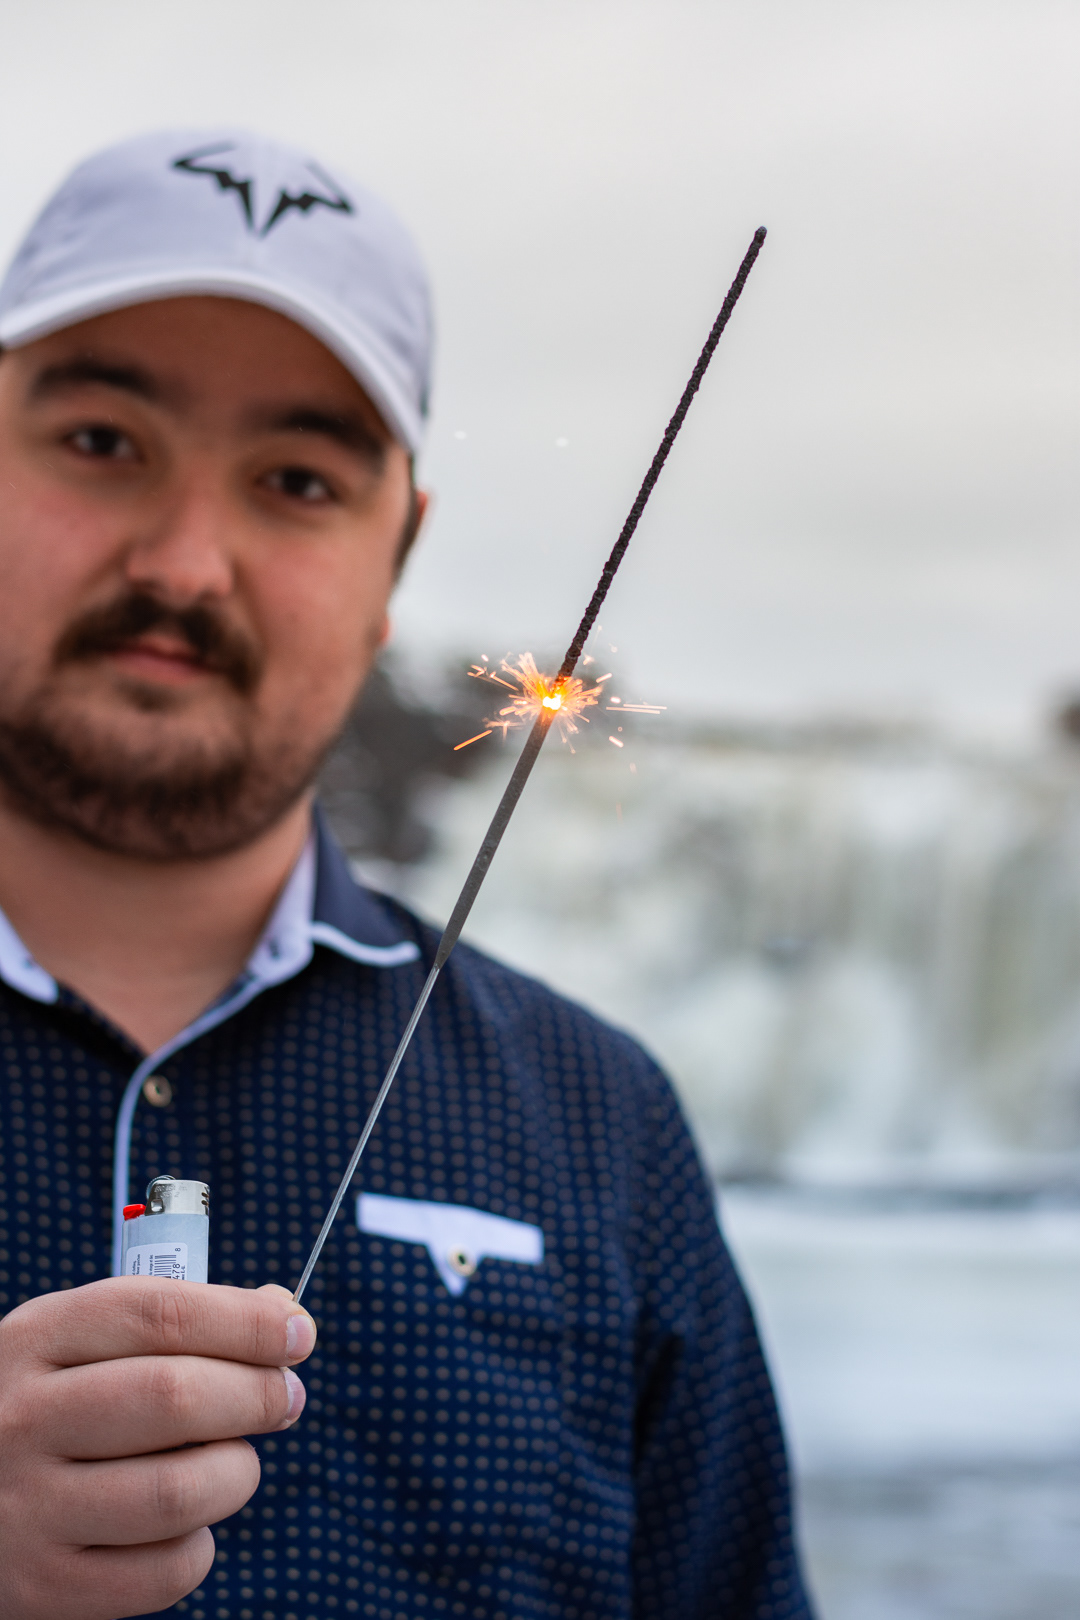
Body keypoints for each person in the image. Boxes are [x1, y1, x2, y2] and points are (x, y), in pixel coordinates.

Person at [0, 129, 813, 1620]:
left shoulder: (603, 1127)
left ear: (395, 562)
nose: (185, 564)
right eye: (104, 443)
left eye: (295, 479)